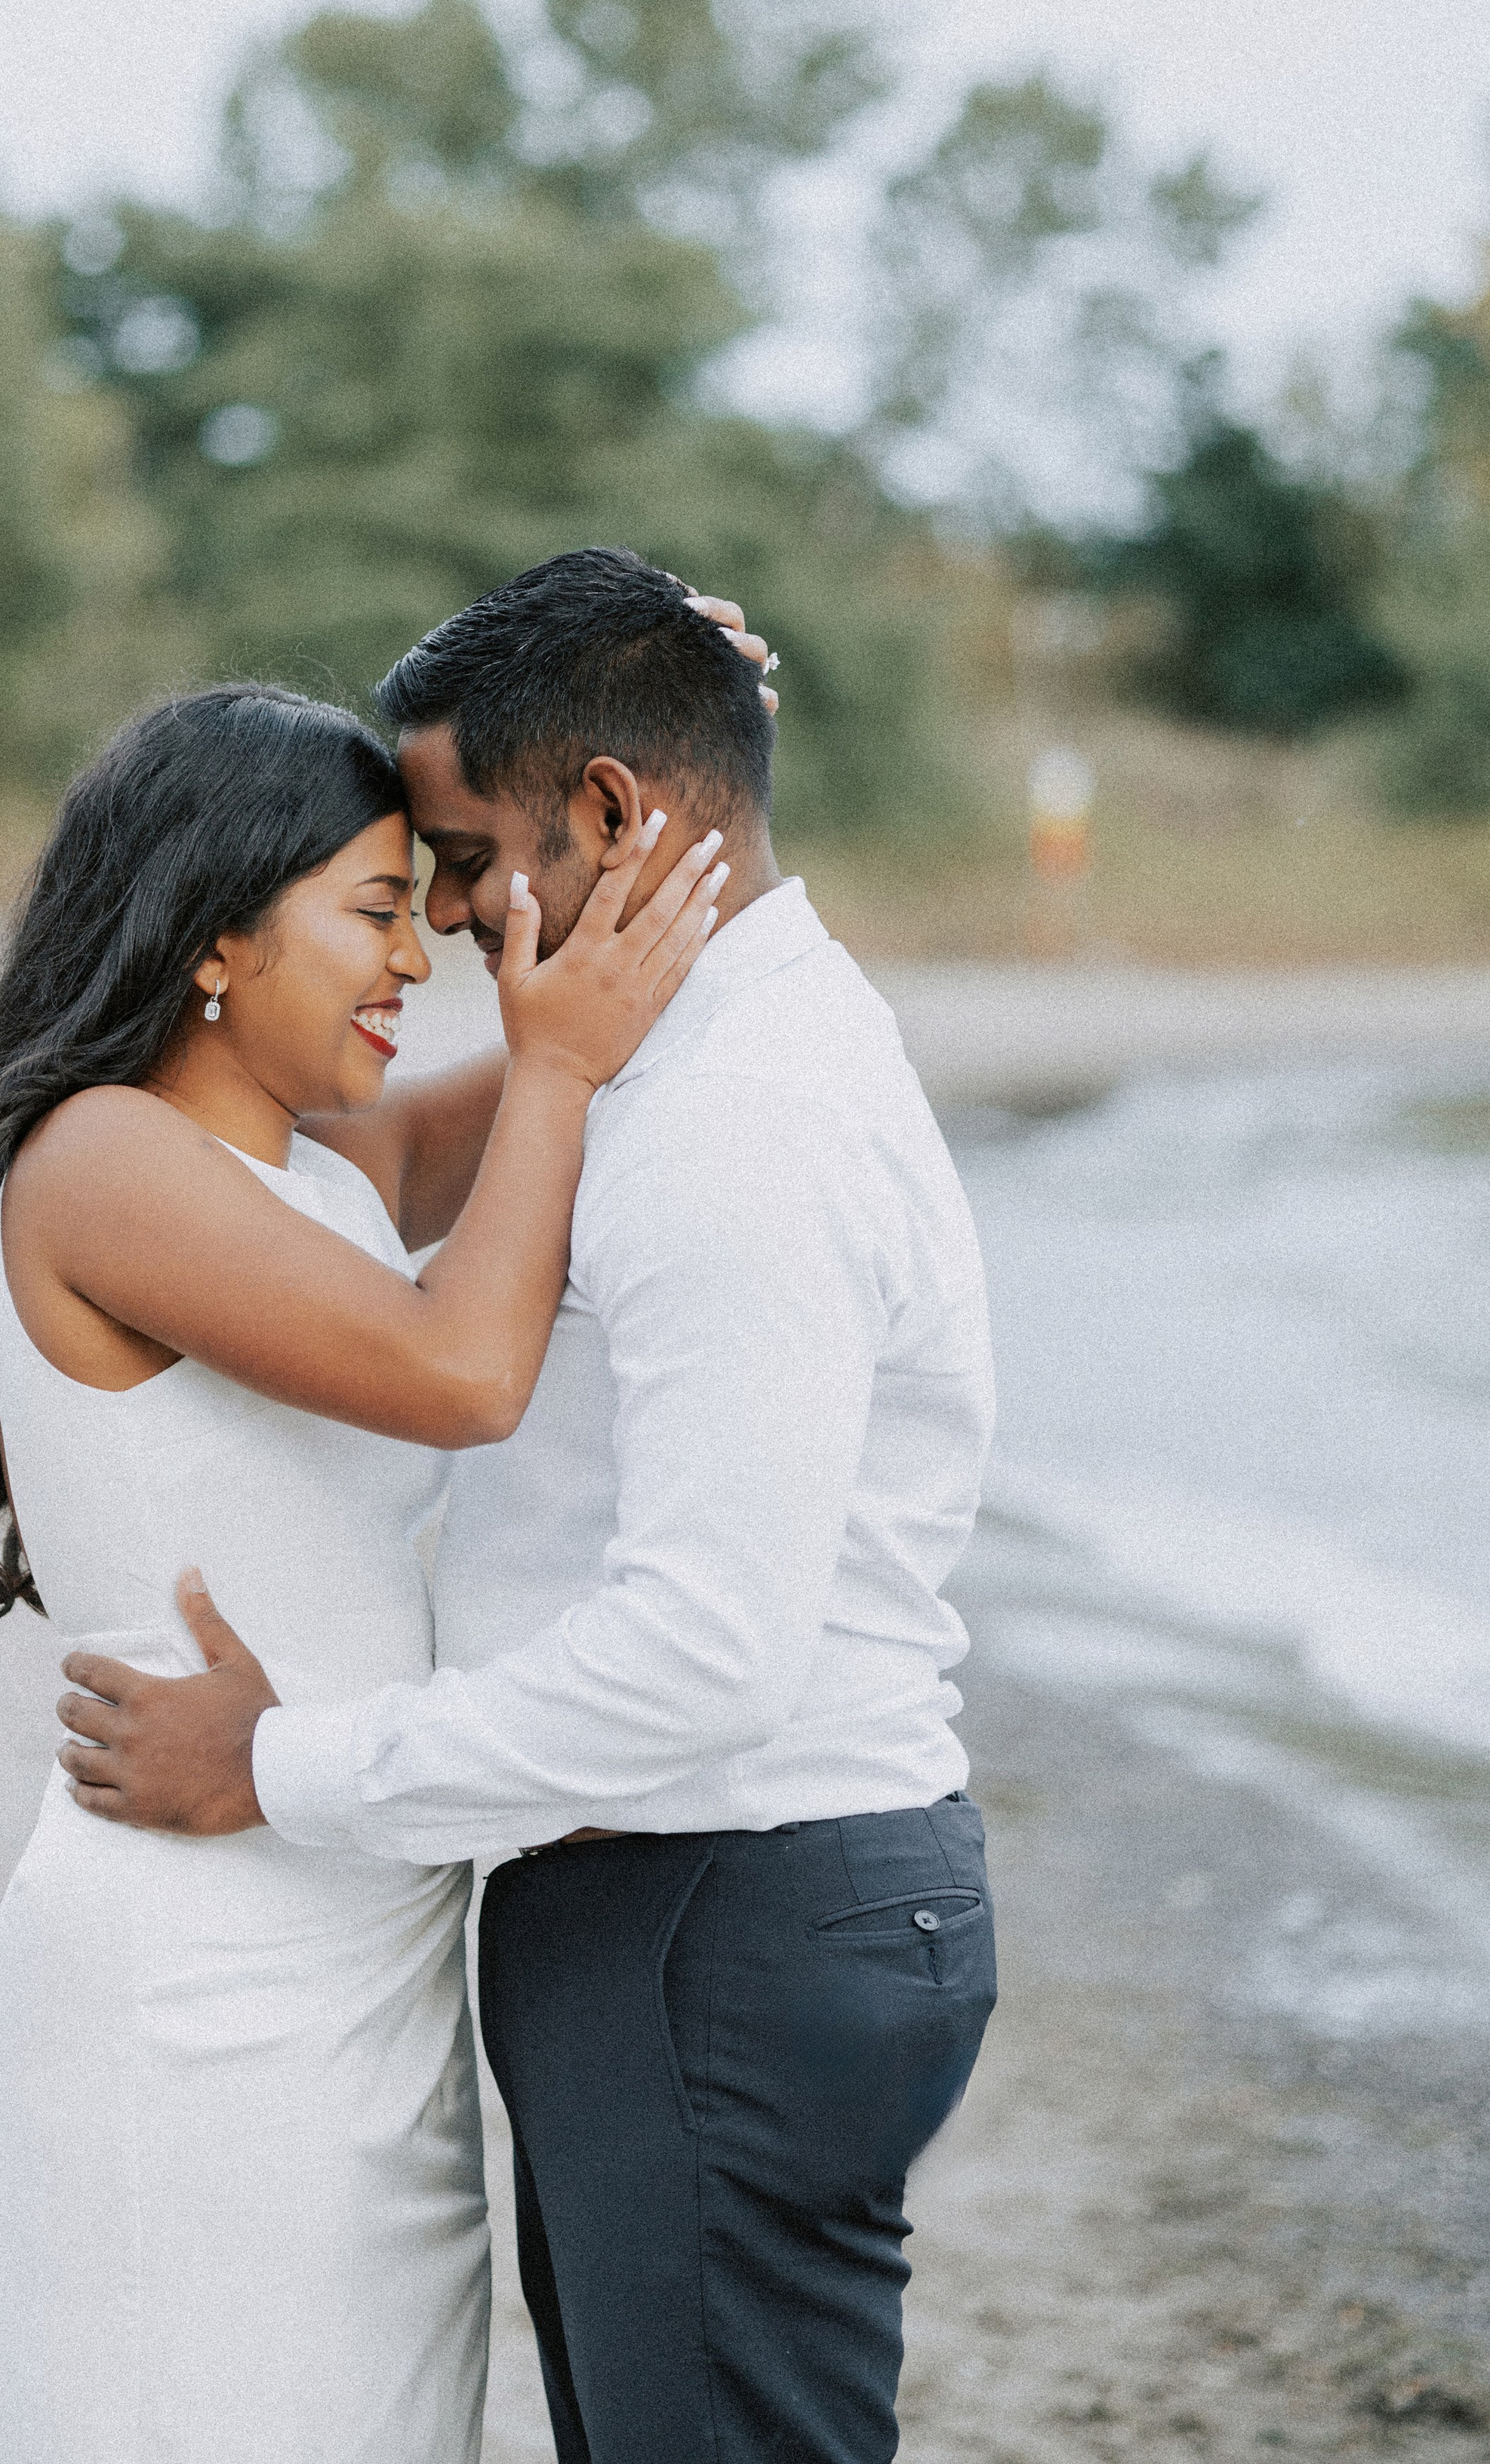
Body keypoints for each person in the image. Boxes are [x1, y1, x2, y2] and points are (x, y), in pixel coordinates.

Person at [57, 549, 999, 2464]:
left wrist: (282, 1769)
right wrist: (645, 680)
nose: (457, 929)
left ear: (608, 814)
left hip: (711, 1901)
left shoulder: (731, 1121)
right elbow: (350, 1155)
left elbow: (701, 1659)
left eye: (468, 868)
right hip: (712, 1901)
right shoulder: (686, 1059)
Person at [0, 676, 726, 2464]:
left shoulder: (319, 1171)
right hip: (194, 1956)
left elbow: (606, 1012)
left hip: (362, 1932)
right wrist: (568, 1059)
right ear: (213, 933)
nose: (410, 961)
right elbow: (463, 1370)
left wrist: (661, 751)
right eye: (368, 912)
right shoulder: (106, 1160)